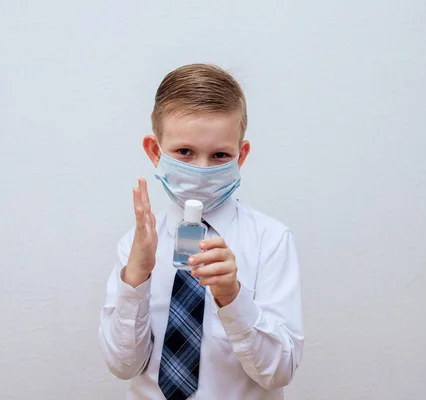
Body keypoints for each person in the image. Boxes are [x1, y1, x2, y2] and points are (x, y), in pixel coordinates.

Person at [99, 64, 304, 400]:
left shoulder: (271, 241)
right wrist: (135, 276)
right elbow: (122, 365)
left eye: (220, 155)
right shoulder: (133, 247)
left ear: (241, 156)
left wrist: (233, 297)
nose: (201, 170)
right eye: (185, 152)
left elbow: (279, 372)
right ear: (155, 151)